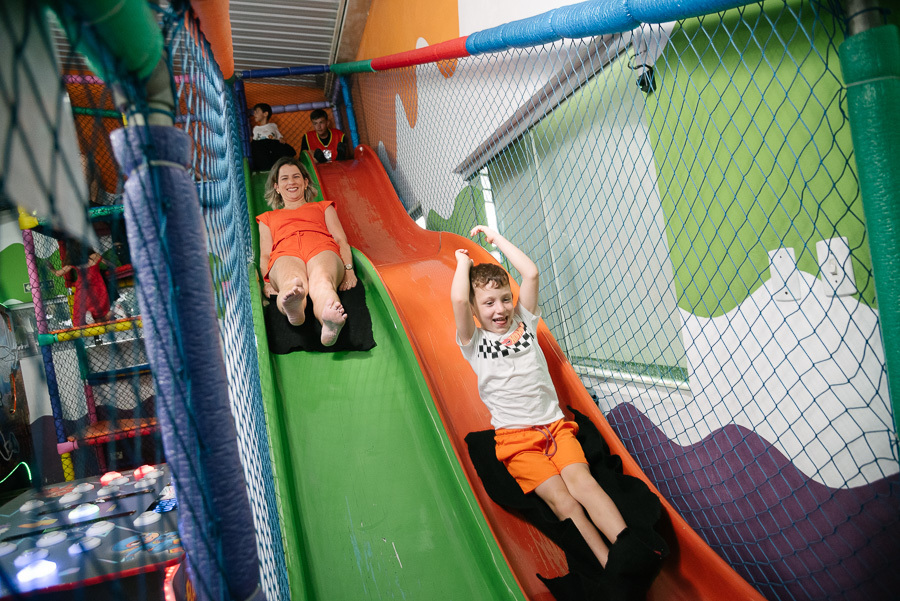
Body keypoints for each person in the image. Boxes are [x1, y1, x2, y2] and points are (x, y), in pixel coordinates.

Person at [452, 225, 635, 570]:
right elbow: (460, 298)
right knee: (563, 501)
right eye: (489, 303)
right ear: (476, 312)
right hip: (516, 440)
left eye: (505, 298)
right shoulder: (474, 342)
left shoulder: (525, 322)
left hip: (556, 428)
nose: (500, 308)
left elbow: (531, 272)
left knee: (584, 483)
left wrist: (496, 240)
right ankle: (608, 561)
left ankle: (626, 546)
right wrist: (463, 263)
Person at [256, 157, 357, 346]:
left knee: (323, 280)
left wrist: (349, 269)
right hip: (285, 251)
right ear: (277, 187)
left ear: (305, 182)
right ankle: (294, 310)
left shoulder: (323, 207)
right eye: (284, 178)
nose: (291, 182)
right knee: (291, 281)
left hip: (320, 246)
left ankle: (329, 321)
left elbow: (340, 239)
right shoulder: (267, 218)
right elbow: (265, 254)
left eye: (296, 177)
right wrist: (266, 280)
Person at [52, 240, 112, 327]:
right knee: (100, 313)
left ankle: (88, 317)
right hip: (98, 285)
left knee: (80, 314)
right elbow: (109, 264)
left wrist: (51, 268)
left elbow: (58, 273)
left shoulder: (74, 261)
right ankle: (106, 313)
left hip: (83, 288)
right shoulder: (95, 256)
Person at [250, 103, 295, 171]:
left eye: (257, 112)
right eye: (254, 112)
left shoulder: (273, 126)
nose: (254, 114)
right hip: (261, 147)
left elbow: (278, 135)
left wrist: (281, 139)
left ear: (265, 114)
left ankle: (281, 164)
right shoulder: (256, 128)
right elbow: (255, 139)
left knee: (286, 148)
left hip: (271, 146)